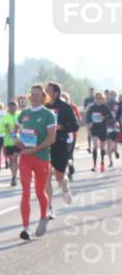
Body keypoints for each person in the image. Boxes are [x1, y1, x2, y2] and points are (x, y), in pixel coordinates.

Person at [16, 84, 58, 240]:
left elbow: (51, 138)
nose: (34, 97)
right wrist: (16, 140)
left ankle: (43, 217)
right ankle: (25, 228)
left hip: (41, 158)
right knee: (25, 191)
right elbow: (15, 130)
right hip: (25, 158)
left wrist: (34, 150)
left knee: (40, 191)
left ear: (43, 97)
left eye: (37, 94)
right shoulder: (24, 113)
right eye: (32, 94)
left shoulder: (48, 115)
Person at [44, 82, 79, 217]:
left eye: (48, 91)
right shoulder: (43, 107)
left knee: (59, 176)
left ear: (55, 93)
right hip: (46, 145)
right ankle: (49, 208)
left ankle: (65, 188)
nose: (45, 93)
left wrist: (60, 127)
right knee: (46, 177)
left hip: (60, 144)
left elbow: (75, 126)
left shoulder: (65, 107)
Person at [86, 91, 113, 172]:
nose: (98, 100)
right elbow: (88, 117)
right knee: (95, 146)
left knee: (102, 148)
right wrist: (89, 123)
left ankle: (102, 163)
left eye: (100, 98)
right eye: (97, 98)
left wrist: (104, 117)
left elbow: (110, 117)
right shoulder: (92, 108)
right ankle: (94, 165)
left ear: (103, 99)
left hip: (103, 129)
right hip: (94, 128)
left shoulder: (105, 108)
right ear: (95, 99)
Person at [0, 100, 21, 186]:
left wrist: (18, 129)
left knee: (15, 158)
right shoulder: (4, 118)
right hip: (8, 142)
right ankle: (13, 175)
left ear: (16, 108)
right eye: (10, 107)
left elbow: (25, 126)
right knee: (11, 161)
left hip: (17, 142)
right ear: (8, 108)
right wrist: (6, 129)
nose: (12, 109)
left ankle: (14, 176)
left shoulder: (19, 116)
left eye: (14, 107)